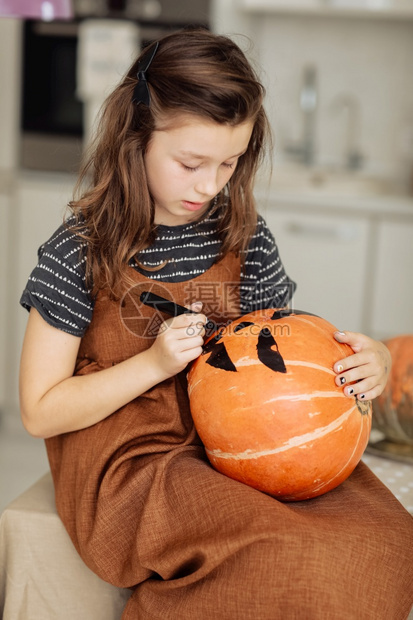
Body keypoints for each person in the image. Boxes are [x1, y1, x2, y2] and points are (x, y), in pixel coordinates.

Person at [19, 28, 413, 619]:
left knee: (384, 535)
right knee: (282, 549)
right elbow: (39, 410)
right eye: (190, 163)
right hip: (131, 465)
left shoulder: (242, 235)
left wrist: (369, 358)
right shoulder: (78, 250)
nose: (210, 185)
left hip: (235, 440)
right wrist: (151, 365)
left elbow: (284, 344)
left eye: (229, 163)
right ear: (135, 140)